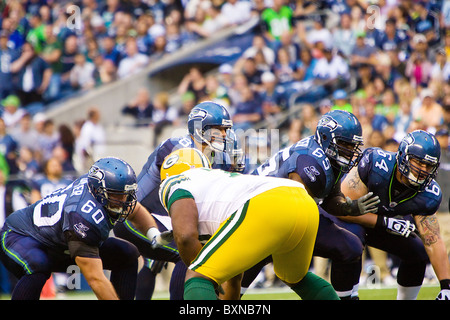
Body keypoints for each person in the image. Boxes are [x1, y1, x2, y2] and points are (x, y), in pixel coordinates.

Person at [158, 147, 340, 300]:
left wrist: (205, 277)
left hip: (268, 203)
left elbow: (185, 237)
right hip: (303, 201)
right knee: (296, 278)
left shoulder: (175, 182)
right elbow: (234, 275)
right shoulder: (217, 182)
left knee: (197, 276)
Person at [239, 110, 379, 297]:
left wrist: (348, 207)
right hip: (259, 218)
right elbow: (296, 208)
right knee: (234, 288)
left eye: (352, 145)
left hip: (290, 216)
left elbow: (330, 199)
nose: (350, 150)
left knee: (351, 248)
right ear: (325, 137)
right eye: (345, 144)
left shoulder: (329, 158)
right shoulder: (308, 162)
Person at [113, 101, 239, 300]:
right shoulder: (179, 149)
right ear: (199, 130)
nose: (224, 135)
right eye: (219, 129)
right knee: (187, 252)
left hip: (162, 217)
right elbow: (189, 198)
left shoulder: (215, 155)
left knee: (157, 261)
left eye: (226, 129)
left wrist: (234, 169)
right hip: (136, 215)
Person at [0, 157, 171, 300]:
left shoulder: (103, 191)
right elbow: (96, 279)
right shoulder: (82, 216)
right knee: (38, 264)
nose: (123, 199)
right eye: (117, 195)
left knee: (127, 254)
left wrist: (153, 234)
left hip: (58, 243)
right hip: (19, 236)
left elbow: (136, 209)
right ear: (99, 192)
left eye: (126, 194)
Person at [333, 130, 450, 300]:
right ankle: (346, 297)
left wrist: (446, 286)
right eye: (418, 162)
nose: (423, 170)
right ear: (403, 156)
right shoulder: (376, 164)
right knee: (352, 243)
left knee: (417, 252)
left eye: (429, 166)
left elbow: (432, 238)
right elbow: (341, 208)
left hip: (381, 224)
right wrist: (384, 222)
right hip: (351, 219)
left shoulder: (429, 193)